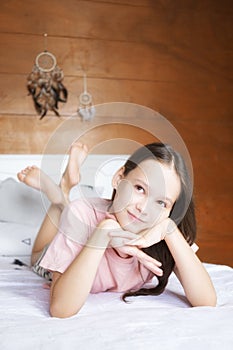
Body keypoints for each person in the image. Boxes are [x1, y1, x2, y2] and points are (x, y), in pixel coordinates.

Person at [17, 141, 216, 318]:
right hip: (77, 231)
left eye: (162, 203)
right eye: (140, 188)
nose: (144, 208)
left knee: (69, 210)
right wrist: (102, 234)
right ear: (119, 178)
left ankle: (64, 189)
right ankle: (61, 191)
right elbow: (61, 310)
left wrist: (169, 229)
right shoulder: (81, 213)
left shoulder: (163, 231)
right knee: (36, 257)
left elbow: (207, 301)